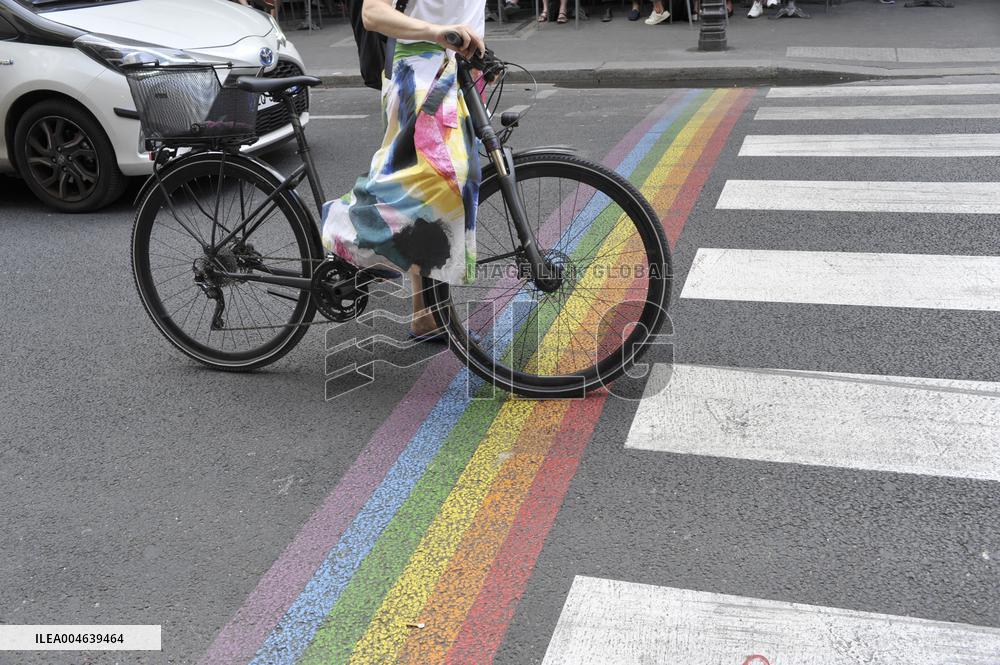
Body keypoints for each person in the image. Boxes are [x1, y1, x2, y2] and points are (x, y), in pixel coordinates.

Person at [321, 0, 486, 340]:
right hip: (419, 71)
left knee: (430, 193)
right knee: (441, 180)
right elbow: (373, 13)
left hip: (460, 70)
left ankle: (424, 315)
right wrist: (439, 33)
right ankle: (348, 230)